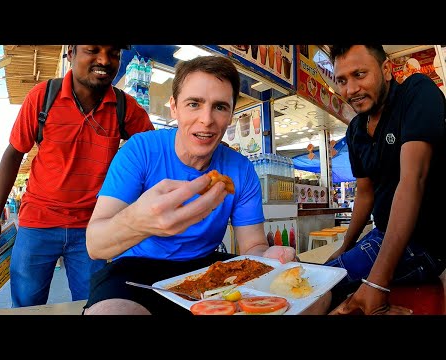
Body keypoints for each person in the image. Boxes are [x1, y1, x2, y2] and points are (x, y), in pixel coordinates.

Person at [83, 55, 327, 315]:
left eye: (220, 107)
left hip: (209, 270)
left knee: (318, 298)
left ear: (231, 114)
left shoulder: (241, 169)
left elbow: (252, 247)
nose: (206, 119)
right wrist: (139, 222)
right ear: (174, 108)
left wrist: (271, 256)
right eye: (194, 104)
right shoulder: (140, 151)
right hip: (137, 270)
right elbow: (96, 246)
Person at [0, 45, 155, 308]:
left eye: (113, 54)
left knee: (92, 304)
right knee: (27, 307)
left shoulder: (124, 107)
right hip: (36, 225)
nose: (104, 60)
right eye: (93, 50)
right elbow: (13, 155)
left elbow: (153, 151)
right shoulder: (42, 97)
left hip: (92, 229)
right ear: (71, 53)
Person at [325, 45, 446, 315]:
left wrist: (377, 283)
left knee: (320, 287)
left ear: (387, 69)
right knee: (320, 277)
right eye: (342, 80)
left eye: (360, 74)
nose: (351, 89)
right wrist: (345, 246)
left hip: (423, 245)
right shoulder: (356, 129)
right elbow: (365, 195)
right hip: (381, 236)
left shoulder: (417, 93)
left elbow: (413, 179)